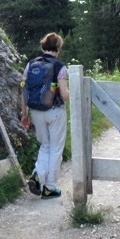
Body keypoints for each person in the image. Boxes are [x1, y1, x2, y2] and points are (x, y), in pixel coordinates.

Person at [21, 32, 70, 199]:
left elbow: (24, 89)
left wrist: (24, 113)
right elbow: (64, 95)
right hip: (55, 111)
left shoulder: (30, 65)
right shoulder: (59, 67)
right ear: (58, 48)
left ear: (43, 46)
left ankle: (37, 176)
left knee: (45, 146)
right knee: (56, 149)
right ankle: (49, 188)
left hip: (35, 111)